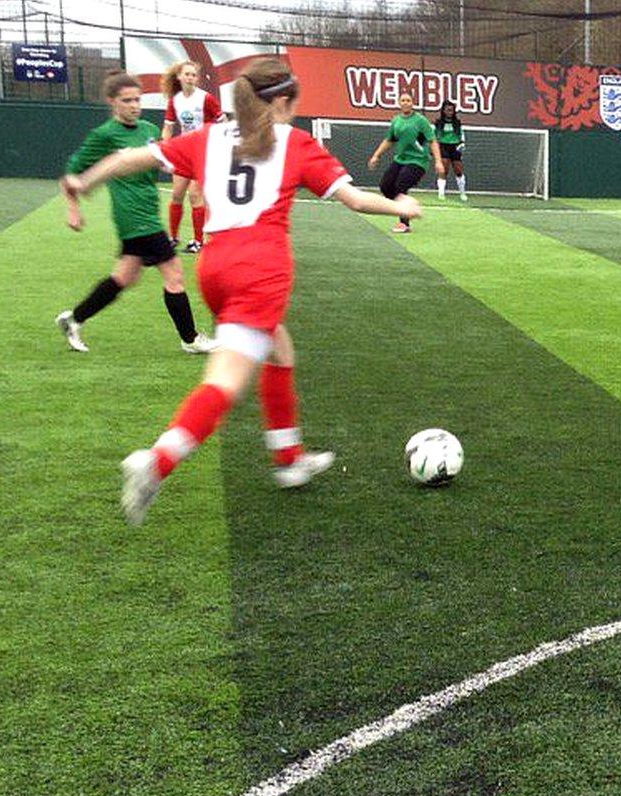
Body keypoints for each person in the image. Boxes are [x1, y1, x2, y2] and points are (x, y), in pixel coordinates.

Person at [61, 57, 423, 525]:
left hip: (216, 266)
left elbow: (134, 158)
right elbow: (354, 199)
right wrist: (403, 205)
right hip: (260, 270)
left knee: (279, 350)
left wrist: (82, 181)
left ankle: (289, 459)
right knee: (224, 381)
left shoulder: (211, 136)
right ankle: (157, 462)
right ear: (284, 101)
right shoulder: (296, 143)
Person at [56, 71, 214, 356]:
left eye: (137, 100)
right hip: (132, 216)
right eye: (127, 101)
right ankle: (190, 339)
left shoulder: (148, 130)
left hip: (149, 212)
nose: (134, 106)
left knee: (124, 277)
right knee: (174, 273)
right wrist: (73, 209)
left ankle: (73, 319)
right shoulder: (103, 135)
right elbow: (71, 174)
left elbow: (165, 161)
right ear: (112, 102)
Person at [161, 60, 221, 253]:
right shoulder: (175, 101)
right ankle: (173, 238)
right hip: (183, 152)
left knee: (196, 196)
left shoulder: (206, 99)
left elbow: (222, 122)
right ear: (179, 77)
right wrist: (165, 150)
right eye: (187, 74)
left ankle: (197, 241)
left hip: (201, 152)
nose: (190, 78)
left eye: (194, 75)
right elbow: (168, 128)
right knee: (177, 194)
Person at [368, 93, 444, 233]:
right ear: (399, 103)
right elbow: (389, 140)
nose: (405, 103)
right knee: (385, 186)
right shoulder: (396, 120)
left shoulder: (420, 120)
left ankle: (404, 223)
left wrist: (438, 162)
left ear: (412, 103)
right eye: (403, 100)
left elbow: (432, 140)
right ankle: (406, 207)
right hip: (400, 159)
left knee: (401, 185)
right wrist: (376, 156)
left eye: (408, 100)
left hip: (418, 161)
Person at [432, 101, 467, 201]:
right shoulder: (438, 123)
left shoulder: (457, 123)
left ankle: (462, 193)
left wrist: (462, 144)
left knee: (458, 170)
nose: (449, 112)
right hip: (443, 146)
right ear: (443, 111)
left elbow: (461, 135)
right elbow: (433, 136)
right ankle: (441, 193)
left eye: (451, 110)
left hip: (455, 146)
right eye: (447, 110)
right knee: (444, 170)